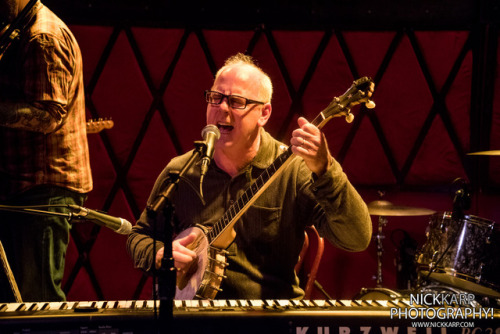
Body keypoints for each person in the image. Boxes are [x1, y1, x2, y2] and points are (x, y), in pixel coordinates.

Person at [127, 53, 372, 299]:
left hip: (269, 322)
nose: (222, 108)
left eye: (236, 101)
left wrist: (326, 170)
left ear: (264, 114)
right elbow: (139, 237)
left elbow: (357, 238)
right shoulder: (181, 171)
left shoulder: (293, 170)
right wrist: (159, 254)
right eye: (215, 98)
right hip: (195, 321)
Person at [0, 0, 92, 302]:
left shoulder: (43, 38)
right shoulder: (19, 27)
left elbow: (50, 115)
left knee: (37, 300)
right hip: (26, 184)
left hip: (44, 187)